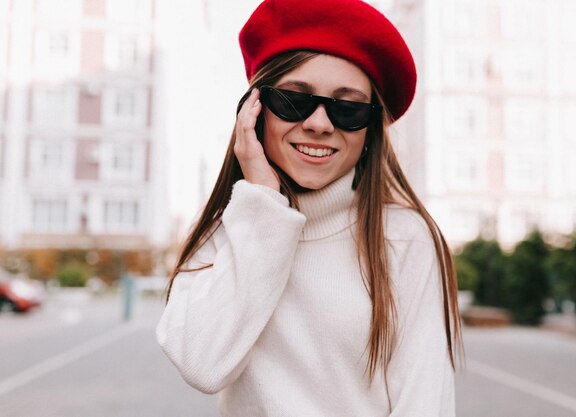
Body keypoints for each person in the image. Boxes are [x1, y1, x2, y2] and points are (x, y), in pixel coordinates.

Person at [157, 0, 463, 415]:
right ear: (254, 111)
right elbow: (203, 366)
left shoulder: (404, 236)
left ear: (370, 129)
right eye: (295, 100)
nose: (320, 123)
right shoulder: (229, 231)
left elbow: (424, 404)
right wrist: (263, 208)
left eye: (348, 108)